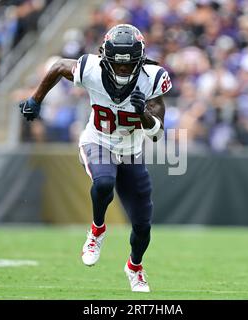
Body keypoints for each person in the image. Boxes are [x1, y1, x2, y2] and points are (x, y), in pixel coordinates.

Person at [18, 24, 172, 292]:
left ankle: (134, 267)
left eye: (129, 64)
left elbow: (158, 134)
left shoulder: (153, 78)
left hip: (132, 152)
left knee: (143, 226)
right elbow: (57, 67)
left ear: (140, 59)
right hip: (97, 141)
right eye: (118, 64)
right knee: (102, 183)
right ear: (106, 57)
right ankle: (97, 229)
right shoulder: (91, 68)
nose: (123, 70)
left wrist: (144, 114)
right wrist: (35, 99)